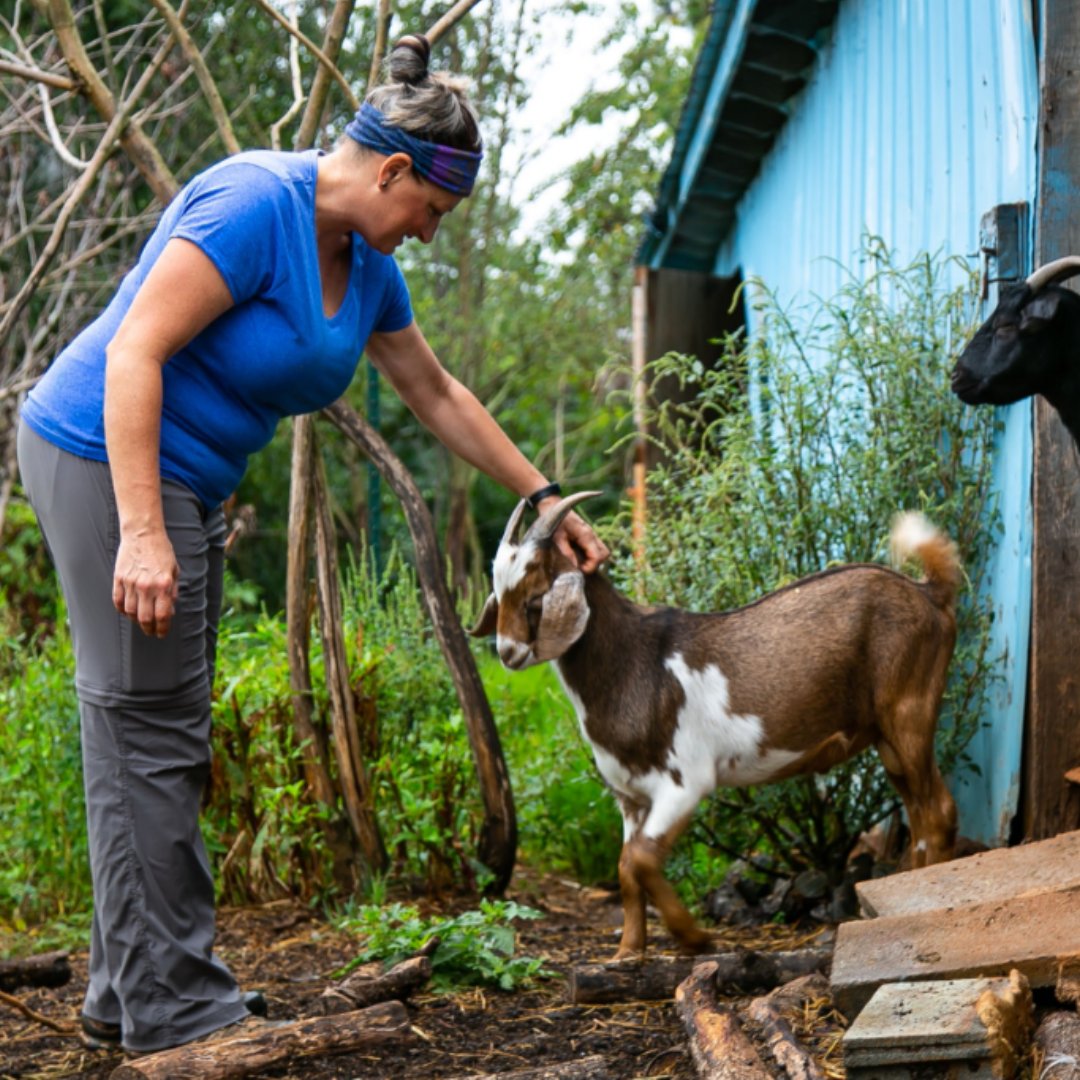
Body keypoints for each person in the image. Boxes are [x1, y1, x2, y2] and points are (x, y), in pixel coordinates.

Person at [17, 34, 608, 1056]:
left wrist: (544, 496)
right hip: (101, 457)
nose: (427, 234)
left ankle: (132, 995)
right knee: (149, 733)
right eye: (431, 210)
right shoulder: (254, 204)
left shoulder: (367, 264)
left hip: (183, 481)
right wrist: (145, 533)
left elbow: (436, 393)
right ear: (392, 170)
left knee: (146, 734)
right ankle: (176, 1006)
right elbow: (134, 351)